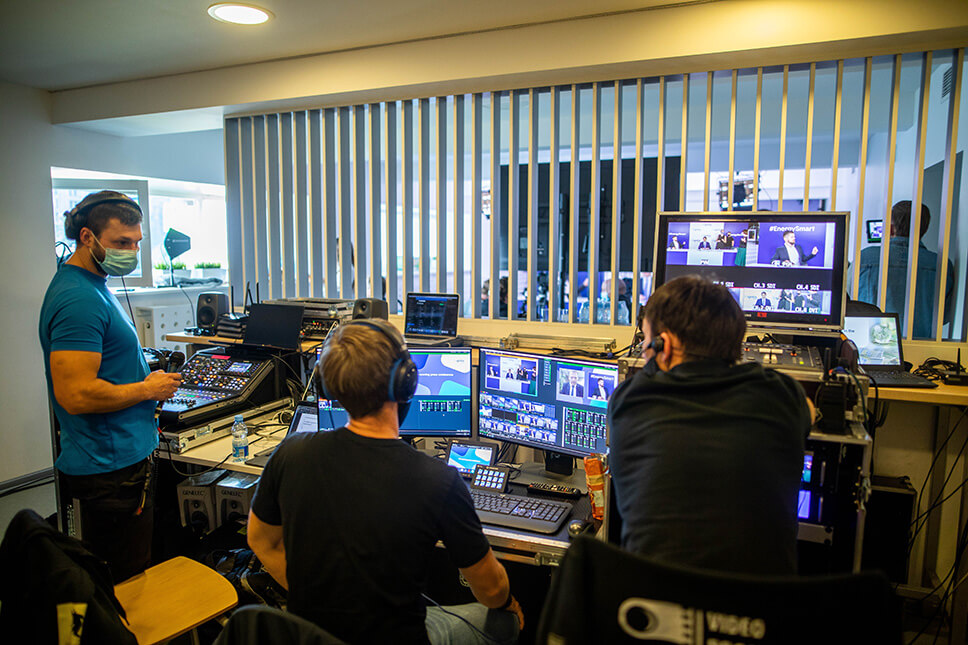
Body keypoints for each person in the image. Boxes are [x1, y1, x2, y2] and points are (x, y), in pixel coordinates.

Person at [247, 319, 522, 645]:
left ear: (327, 385)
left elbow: (261, 541)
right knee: (505, 620)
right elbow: (491, 590)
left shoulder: (290, 453)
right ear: (406, 382)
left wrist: (322, 603)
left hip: (311, 637)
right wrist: (509, 602)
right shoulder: (438, 481)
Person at [607, 275, 815, 575]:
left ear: (665, 344)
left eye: (647, 342)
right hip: (762, 603)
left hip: (655, 599)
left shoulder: (628, 401)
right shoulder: (782, 395)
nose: (644, 350)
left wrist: (655, 358)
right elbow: (810, 412)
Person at [39, 191, 181, 582]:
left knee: (136, 570)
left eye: (137, 243)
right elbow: (75, 394)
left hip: (122, 462)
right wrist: (147, 390)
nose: (131, 252)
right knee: (122, 583)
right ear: (87, 237)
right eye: (121, 242)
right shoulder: (78, 299)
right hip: (108, 472)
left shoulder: (94, 284)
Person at [854, 201, 955, 338]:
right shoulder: (941, 265)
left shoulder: (864, 258)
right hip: (922, 345)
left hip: (869, 342)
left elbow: (849, 301)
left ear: (890, 229)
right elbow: (944, 316)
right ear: (924, 230)